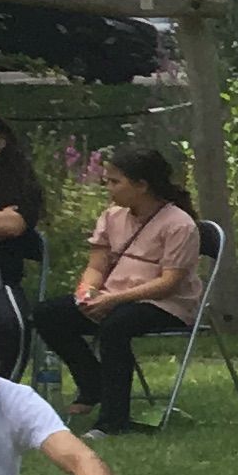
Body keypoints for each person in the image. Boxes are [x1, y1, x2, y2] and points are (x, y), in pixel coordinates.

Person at [33, 141, 202, 436]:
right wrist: (87, 291)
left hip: (164, 304)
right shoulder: (112, 217)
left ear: (141, 185)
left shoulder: (180, 224)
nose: (108, 188)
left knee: (115, 326)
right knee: (47, 314)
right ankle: (93, 383)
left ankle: (113, 421)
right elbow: (97, 265)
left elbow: (168, 283)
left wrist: (114, 300)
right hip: (113, 297)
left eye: (115, 182)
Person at [0, 109, 46, 384]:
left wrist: (3, 222)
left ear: (2, 140)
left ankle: (2, 395)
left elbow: (13, 225)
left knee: (9, 325)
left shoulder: (17, 179)